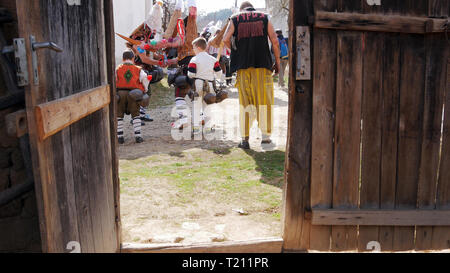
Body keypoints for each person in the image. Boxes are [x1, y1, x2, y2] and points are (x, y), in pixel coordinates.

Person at [223, 1, 280, 149]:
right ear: (252, 9)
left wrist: (236, 52)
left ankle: (245, 139)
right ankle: (266, 138)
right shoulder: (264, 17)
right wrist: (278, 63)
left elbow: (224, 39)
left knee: (245, 103)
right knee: (264, 101)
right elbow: (274, 40)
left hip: (243, 68)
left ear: (241, 10)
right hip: (263, 66)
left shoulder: (235, 18)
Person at [188, 37, 223, 135]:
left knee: (196, 107)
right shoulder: (213, 59)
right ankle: (208, 128)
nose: (193, 50)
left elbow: (191, 74)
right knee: (208, 107)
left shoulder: (194, 59)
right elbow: (219, 73)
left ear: (198, 47)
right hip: (210, 85)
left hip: (198, 84)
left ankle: (196, 129)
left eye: (194, 47)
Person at [116, 50, 151, 144]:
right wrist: (145, 89)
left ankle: (120, 137)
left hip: (120, 94)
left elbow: (114, 80)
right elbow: (145, 79)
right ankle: (138, 136)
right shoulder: (138, 69)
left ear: (123, 59)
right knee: (136, 115)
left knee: (119, 116)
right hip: (134, 94)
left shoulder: (117, 68)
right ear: (133, 58)